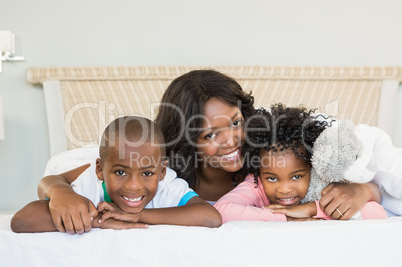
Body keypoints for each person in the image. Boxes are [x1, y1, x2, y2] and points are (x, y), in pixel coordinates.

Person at [36, 70, 382, 233]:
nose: (231, 139)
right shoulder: (160, 171)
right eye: (210, 134)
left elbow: (352, 172)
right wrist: (58, 194)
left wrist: (363, 189)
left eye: (235, 122)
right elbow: (57, 178)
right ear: (185, 139)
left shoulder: (269, 155)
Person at [11, 116, 222, 233]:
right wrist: (97, 219)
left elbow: (211, 217)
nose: (133, 186)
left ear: (162, 171)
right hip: (74, 168)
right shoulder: (90, 183)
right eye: (121, 172)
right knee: (57, 173)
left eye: (147, 173)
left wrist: (137, 216)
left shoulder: (166, 184)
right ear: (100, 170)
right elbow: (21, 221)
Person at [214, 104, 387, 222]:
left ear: (312, 168)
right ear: (259, 170)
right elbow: (221, 210)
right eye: (272, 179)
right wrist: (286, 217)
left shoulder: (323, 183)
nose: (285, 189)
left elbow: (378, 212)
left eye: (296, 176)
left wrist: (313, 209)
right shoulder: (255, 183)